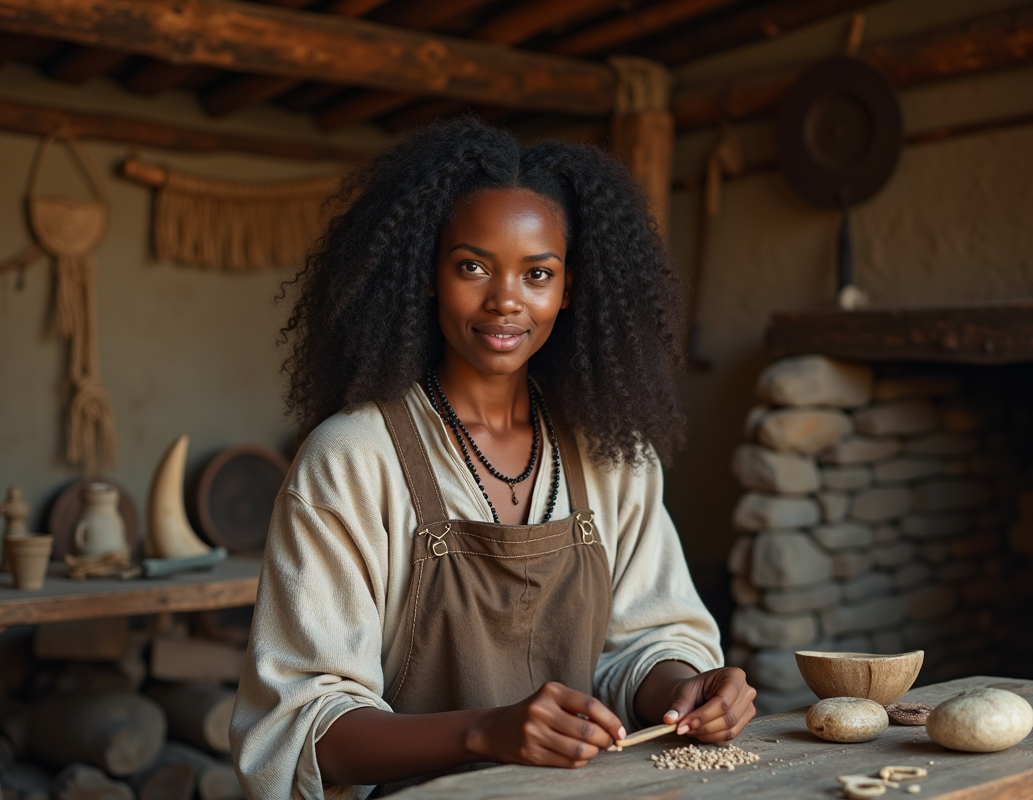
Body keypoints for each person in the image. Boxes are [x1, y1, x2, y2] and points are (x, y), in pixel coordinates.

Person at [230, 116, 756, 799]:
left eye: (537, 273)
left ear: (570, 290)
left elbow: (645, 643)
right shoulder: (353, 459)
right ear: (426, 275)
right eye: (472, 265)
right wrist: (485, 732)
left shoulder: (612, 458)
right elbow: (300, 728)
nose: (506, 299)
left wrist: (685, 689)